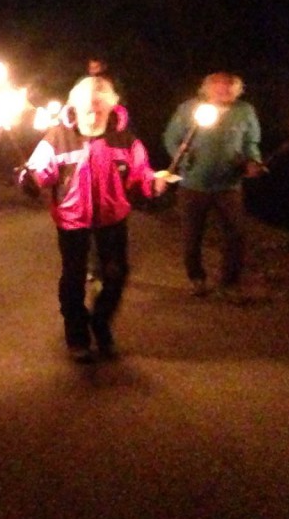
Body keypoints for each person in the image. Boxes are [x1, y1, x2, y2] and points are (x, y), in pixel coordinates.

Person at [22, 76, 166, 363]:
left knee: (116, 274)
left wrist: (153, 183)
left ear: (112, 107)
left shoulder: (126, 139)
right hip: (72, 219)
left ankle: (100, 322)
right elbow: (39, 172)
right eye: (88, 107)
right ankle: (77, 335)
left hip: (112, 217)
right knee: (73, 277)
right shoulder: (57, 137)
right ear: (75, 106)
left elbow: (142, 173)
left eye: (100, 107)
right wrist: (29, 179)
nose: (93, 113)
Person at [162, 71, 265, 297]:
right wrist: (183, 160)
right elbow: (171, 138)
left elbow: (251, 142)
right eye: (217, 86)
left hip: (229, 185)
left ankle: (229, 283)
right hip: (193, 184)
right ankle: (196, 278)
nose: (223, 90)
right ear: (206, 88)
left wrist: (253, 161)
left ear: (237, 90)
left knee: (236, 234)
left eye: (229, 86)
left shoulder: (244, 111)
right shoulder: (190, 108)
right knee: (192, 235)